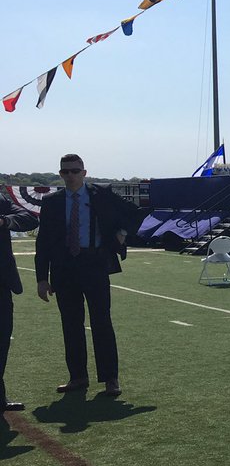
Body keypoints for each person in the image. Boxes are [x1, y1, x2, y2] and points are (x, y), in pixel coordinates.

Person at [34, 154, 139, 396]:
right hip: (64, 269)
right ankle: (78, 377)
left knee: (102, 322)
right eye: (65, 172)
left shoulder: (100, 194)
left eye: (74, 170)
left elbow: (134, 213)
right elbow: (44, 242)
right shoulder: (51, 202)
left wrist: (122, 233)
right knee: (71, 325)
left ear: (84, 172)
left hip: (95, 264)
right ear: (60, 174)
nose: (70, 175)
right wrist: (41, 278)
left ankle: (110, 378)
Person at [1, 197, 38, 411]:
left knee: (2, 340)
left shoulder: (1, 202)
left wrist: (4, 221)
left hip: (1, 284)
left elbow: (30, 219)